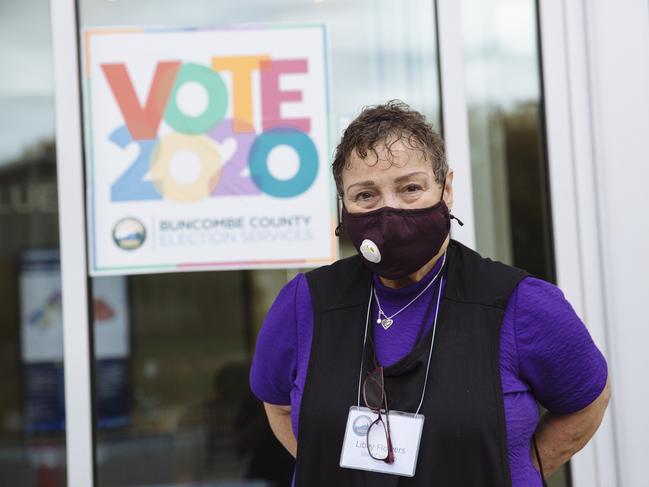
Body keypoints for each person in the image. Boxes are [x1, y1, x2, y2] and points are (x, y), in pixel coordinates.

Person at [249, 100, 610, 486]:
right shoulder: (304, 304)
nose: (389, 212)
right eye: (365, 195)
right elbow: (279, 407)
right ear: (343, 206)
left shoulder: (520, 304)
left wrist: (519, 471)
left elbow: (588, 402)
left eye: (411, 188)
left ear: (446, 189)